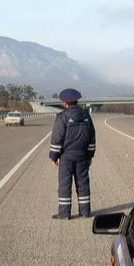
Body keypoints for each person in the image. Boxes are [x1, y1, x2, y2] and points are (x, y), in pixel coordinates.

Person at [49, 88, 96, 220]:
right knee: (83, 184)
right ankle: (85, 212)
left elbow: (57, 139)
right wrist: (90, 155)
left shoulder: (62, 117)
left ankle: (64, 214)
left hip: (66, 158)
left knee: (65, 184)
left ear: (65, 103)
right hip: (82, 157)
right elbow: (92, 138)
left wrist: (54, 157)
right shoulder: (86, 116)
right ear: (76, 101)